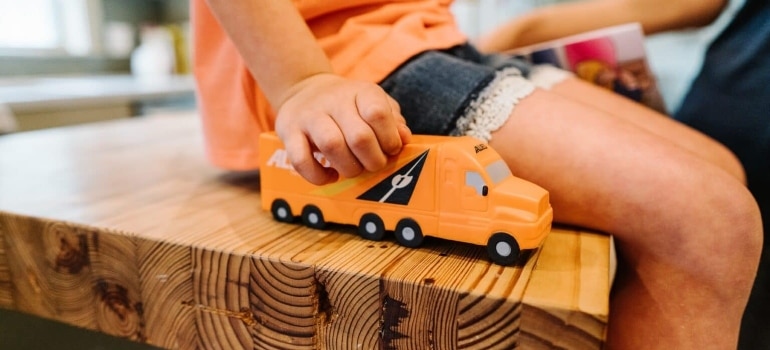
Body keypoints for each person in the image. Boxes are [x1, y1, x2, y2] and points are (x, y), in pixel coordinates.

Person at [190, 1, 762, 348]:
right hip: (339, 66)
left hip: (434, 40)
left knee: (722, 173)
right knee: (707, 223)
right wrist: (301, 82)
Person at [475, 0, 769, 348]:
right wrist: (524, 33)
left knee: (715, 215)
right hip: (738, 104)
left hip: (736, 107)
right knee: (713, 213)